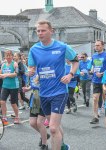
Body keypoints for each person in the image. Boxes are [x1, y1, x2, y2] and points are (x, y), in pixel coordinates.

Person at [28, 20, 79, 150]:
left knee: (53, 128)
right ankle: (63, 146)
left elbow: (75, 61)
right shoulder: (34, 49)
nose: (40, 33)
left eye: (43, 30)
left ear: (51, 31)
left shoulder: (62, 47)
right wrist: (31, 72)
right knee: (54, 126)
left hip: (59, 91)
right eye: (38, 31)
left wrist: (70, 75)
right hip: (43, 93)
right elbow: (32, 68)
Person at [22, 72, 50, 150]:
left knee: (39, 123)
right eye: (30, 67)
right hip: (35, 98)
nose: (31, 68)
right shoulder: (31, 74)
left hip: (45, 98)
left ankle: (45, 144)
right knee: (32, 123)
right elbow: (34, 85)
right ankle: (45, 135)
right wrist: (28, 88)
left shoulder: (43, 71)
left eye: (33, 67)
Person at [88, 40, 106, 124]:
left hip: (105, 80)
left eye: (98, 45)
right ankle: (95, 117)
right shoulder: (94, 56)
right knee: (95, 98)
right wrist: (92, 71)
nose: (96, 47)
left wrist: (102, 73)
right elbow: (94, 66)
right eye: (95, 45)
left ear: (103, 46)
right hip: (96, 80)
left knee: (105, 98)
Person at [0, 50, 20, 125]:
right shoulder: (3, 65)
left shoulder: (15, 64)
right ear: (5, 57)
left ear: (12, 56)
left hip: (13, 86)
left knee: (13, 103)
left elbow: (16, 74)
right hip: (5, 85)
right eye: (6, 55)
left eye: (9, 55)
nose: (8, 57)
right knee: (2, 101)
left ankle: (17, 117)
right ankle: (4, 117)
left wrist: (6, 75)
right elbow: (1, 73)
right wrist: (1, 75)